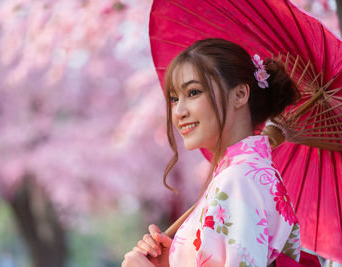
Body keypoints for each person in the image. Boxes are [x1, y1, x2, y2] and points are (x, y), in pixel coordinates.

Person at [122, 38, 302, 267]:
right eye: (175, 98)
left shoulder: (238, 180)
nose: (179, 111)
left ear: (239, 95)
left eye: (193, 92)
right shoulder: (245, 175)